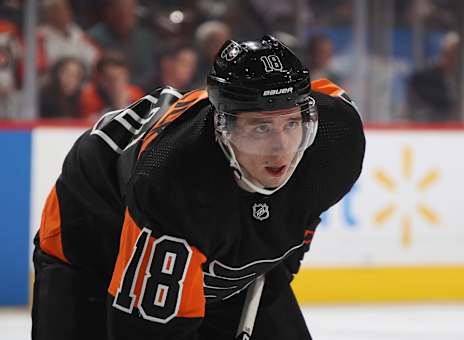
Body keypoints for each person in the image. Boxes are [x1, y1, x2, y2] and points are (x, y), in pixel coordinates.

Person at [31, 35, 365, 340]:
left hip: (201, 234)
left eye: (291, 123)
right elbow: (145, 331)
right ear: (224, 129)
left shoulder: (334, 142)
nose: (281, 149)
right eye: (261, 128)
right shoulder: (174, 183)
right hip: (93, 232)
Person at [79, 52, 144, 120]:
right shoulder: (89, 97)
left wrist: (123, 105)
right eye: (110, 78)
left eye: (120, 77)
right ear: (100, 79)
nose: (116, 84)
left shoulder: (137, 95)